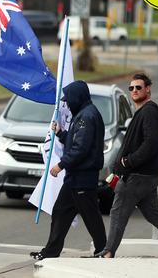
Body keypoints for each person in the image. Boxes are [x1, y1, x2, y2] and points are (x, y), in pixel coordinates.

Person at [96, 74, 158, 258]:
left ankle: (108, 251)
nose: (134, 91)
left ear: (148, 89)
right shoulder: (143, 112)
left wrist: (128, 161)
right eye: (131, 88)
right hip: (145, 176)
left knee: (117, 212)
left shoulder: (149, 112)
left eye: (139, 87)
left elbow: (151, 144)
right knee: (154, 215)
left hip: (137, 175)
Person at [30, 80, 107, 260]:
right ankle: (50, 252)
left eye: (68, 99)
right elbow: (75, 141)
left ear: (77, 97)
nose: (67, 103)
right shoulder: (82, 114)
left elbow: (80, 149)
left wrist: (61, 165)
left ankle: (103, 251)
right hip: (74, 179)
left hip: (83, 177)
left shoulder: (86, 117)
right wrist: (60, 133)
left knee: (91, 218)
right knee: (60, 212)